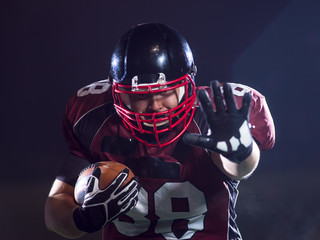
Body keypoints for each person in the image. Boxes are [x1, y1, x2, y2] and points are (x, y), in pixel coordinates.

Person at [45, 22, 275, 240]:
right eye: (140, 95)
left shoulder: (214, 114)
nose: (155, 105)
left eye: (165, 92)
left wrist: (240, 150)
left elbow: (238, 169)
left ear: (188, 84)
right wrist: (82, 219)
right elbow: (55, 209)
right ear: (116, 91)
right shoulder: (94, 117)